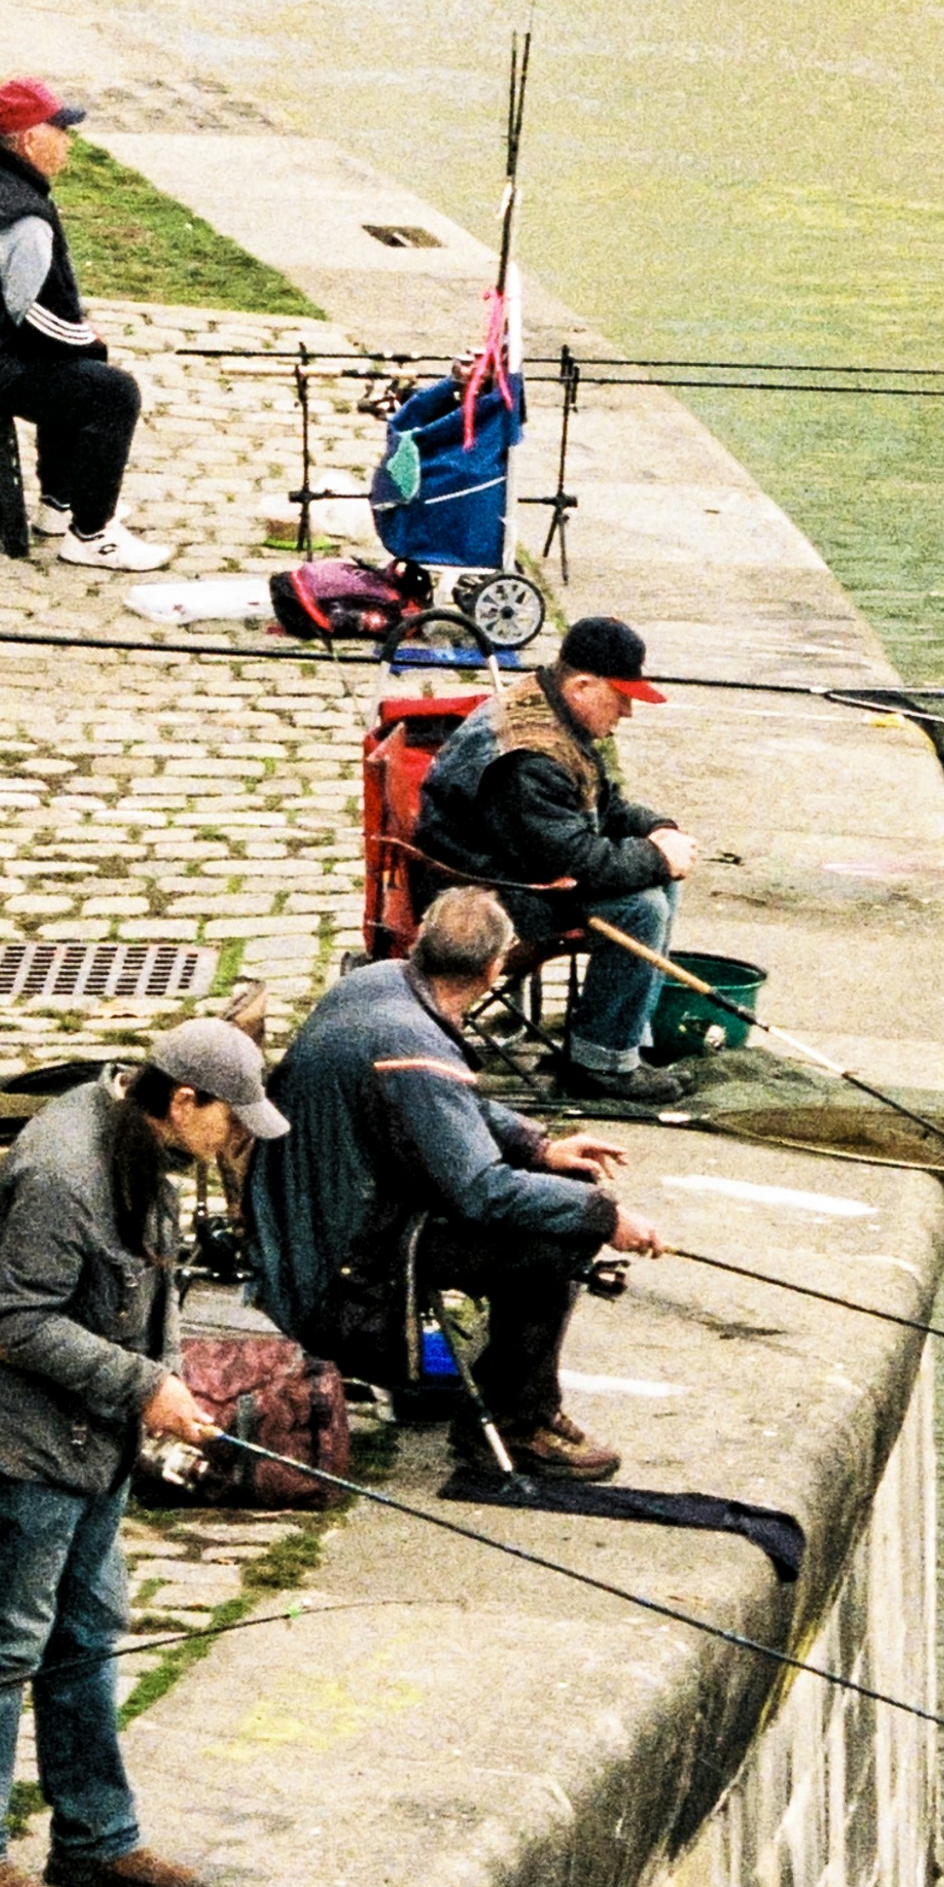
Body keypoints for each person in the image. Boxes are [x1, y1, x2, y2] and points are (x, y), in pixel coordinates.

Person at [0, 1018, 287, 1887]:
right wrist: (142, 1388)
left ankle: (94, 1837)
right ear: (183, 1099)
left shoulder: (140, 1138)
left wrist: (161, 1390)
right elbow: (19, 1318)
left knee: (88, 1632)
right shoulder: (63, 1174)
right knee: (4, 1644)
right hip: (27, 1448)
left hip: (94, 1443)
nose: (234, 1140)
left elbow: (144, 1288)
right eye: (229, 1122)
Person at [247, 884, 659, 1490]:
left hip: (313, 1212)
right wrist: (602, 1214)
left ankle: (461, 1381)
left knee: (550, 1204)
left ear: (421, 944)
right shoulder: (413, 1049)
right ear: (495, 966)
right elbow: (483, 1191)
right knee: (553, 1245)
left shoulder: (381, 982)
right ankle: (514, 1422)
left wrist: (540, 1147)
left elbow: (448, 1107)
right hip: (337, 1264)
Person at [410, 613, 695, 1110]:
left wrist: (657, 829)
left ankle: (624, 1040)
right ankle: (600, 1065)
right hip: (479, 893)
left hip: (516, 865)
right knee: (641, 907)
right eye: (622, 696)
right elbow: (578, 860)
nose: (628, 712)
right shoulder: (530, 760)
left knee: (659, 884)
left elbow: (601, 806)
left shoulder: (556, 707)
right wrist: (656, 857)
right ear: (583, 685)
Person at [0, 76, 169, 573]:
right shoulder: (22, 217)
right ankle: (91, 533)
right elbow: (35, 315)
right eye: (59, 131)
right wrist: (89, 341)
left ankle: (59, 504)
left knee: (70, 369)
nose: (67, 143)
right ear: (28, 140)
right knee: (109, 391)